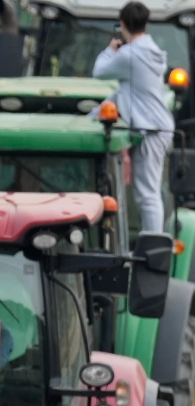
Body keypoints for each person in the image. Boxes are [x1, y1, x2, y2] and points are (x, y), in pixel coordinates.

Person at [95, 1, 175, 233]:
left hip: (150, 129)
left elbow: (99, 71)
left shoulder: (129, 56)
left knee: (147, 195)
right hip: (159, 127)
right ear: (146, 23)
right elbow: (124, 92)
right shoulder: (152, 52)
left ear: (122, 24)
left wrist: (110, 49)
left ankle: (153, 246)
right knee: (151, 192)